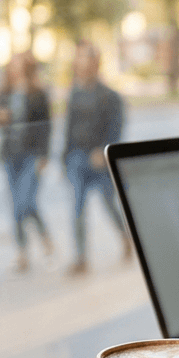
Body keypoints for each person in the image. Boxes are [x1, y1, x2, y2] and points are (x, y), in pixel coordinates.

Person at [63, 43, 129, 276]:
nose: (81, 63)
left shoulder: (110, 97)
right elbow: (69, 128)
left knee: (109, 204)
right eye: (79, 58)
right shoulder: (74, 93)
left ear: (95, 63)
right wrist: (64, 158)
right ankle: (80, 258)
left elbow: (116, 129)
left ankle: (125, 236)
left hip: (100, 163)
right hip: (77, 158)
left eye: (85, 58)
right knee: (77, 207)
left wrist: (103, 151)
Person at [0, 53, 53, 273]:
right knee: (18, 205)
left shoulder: (37, 94)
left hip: (31, 155)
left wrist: (44, 156)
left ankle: (42, 236)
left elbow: (46, 127)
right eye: (12, 65)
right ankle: (23, 253)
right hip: (10, 155)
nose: (14, 69)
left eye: (18, 65)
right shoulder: (3, 92)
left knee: (23, 203)